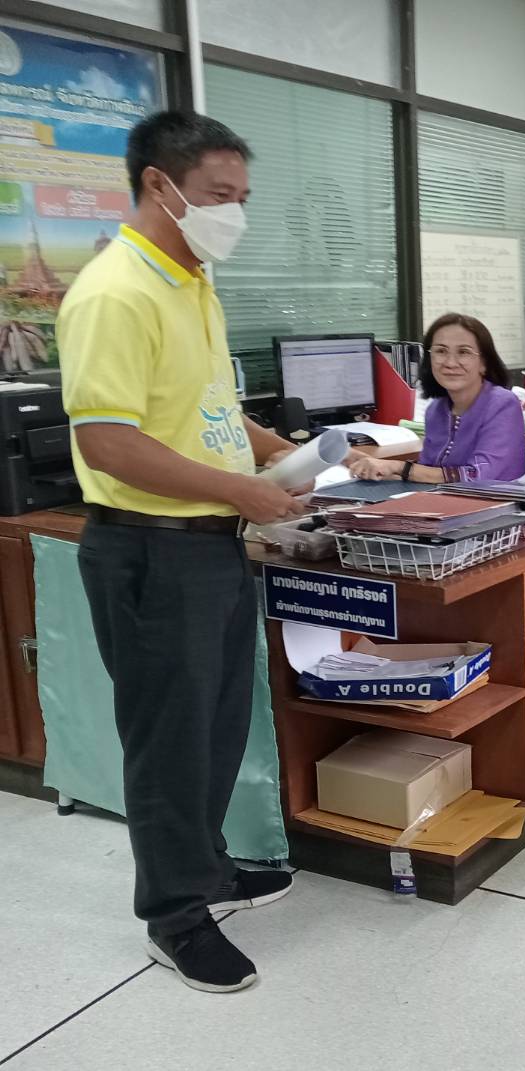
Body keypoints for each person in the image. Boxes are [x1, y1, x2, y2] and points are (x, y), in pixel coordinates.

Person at [59, 111, 311, 993]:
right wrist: (241, 490)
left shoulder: (192, 280)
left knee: (215, 723)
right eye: (217, 195)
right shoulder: (115, 292)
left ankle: (205, 865)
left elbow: (207, 408)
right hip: (148, 550)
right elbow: (107, 442)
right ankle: (173, 916)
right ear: (158, 185)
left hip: (213, 545)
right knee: (168, 738)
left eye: (242, 197)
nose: (233, 213)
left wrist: (280, 453)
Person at [348, 312, 525, 485]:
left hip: (498, 502)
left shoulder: (503, 404)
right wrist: (375, 468)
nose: (450, 363)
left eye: (464, 352)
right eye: (441, 351)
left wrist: (397, 467)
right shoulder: (436, 409)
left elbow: (477, 476)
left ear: (484, 363)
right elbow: (427, 474)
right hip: (444, 501)